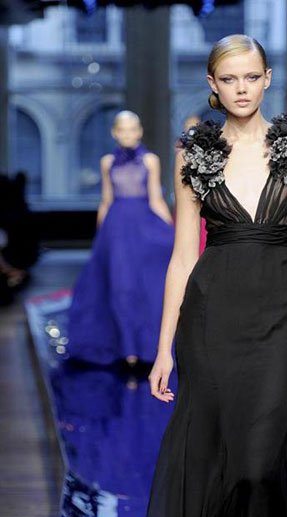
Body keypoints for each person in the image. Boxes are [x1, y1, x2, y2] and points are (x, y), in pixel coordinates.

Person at [143, 34, 287, 517]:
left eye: (252, 77)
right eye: (230, 79)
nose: (242, 89)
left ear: (267, 79)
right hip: (210, 323)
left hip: (277, 322)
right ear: (212, 83)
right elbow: (182, 257)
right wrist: (164, 348)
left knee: (257, 467)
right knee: (215, 456)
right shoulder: (194, 154)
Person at [67, 111, 175, 373]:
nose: (128, 134)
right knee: (120, 286)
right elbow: (106, 199)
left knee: (144, 286)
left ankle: (144, 347)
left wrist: (171, 232)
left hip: (143, 227)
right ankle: (127, 349)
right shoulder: (107, 162)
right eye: (123, 129)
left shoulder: (150, 160)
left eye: (133, 129)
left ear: (140, 131)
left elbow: (156, 199)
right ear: (114, 133)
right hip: (116, 229)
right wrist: (100, 236)